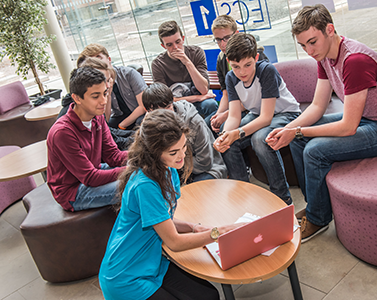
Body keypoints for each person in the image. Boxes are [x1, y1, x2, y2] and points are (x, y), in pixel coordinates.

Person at [266, 4, 377, 242]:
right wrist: (288, 129)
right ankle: (315, 207)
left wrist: (296, 130)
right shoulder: (324, 56)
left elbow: (348, 126)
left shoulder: (355, 60)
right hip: (369, 118)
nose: (308, 51)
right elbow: (317, 106)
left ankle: (318, 219)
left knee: (314, 150)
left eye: (312, 42)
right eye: (303, 45)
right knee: (298, 140)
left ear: (329, 29)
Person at [98, 109, 242, 300]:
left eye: (183, 147)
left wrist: (193, 227)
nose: (182, 156)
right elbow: (173, 241)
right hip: (126, 276)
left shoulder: (168, 170)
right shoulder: (145, 185)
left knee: (208, 296)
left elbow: (162, 220)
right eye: (173, 152)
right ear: (153, 153)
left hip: (152, 261)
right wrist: (217, 233)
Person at [213, 33, 300, 205]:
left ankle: (283, 200)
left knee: (261, 139)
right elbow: (235, 115)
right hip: (257, 114)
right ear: (229, 63)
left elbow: (267, 118)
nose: (242, 72)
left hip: (285, 113)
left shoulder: (266, 70)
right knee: (227, 141)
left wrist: (236, 133)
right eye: (236, 66)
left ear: (256, 58)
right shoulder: (231, 78)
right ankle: (243, 194)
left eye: (247, 65)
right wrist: (225, 135)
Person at [47, 67, 128, 211]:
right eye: (95, 96)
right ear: (77, 98)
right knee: (138, 184)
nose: (104, 101)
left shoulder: (97, 117)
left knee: (148, 170)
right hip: (73, 191)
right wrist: (131, 169)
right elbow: (90, 178)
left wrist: (143, 154)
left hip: (92, 171)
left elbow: (113, 156)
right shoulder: (62, 133)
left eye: (105, 93)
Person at [142, 82, 227, 182]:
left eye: (168, 107)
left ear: (173, 102)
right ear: (149, 111)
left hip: (206, 169)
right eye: (158, 111)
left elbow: (205, 162)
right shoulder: (150, 124)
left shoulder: (193, 121)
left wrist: (171, 160)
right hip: (174, 167)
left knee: (194, 193)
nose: (165, 114)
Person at [208, 14, 269, 133]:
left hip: (256, 107)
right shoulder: (221, 59)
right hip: (236, 107)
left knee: (227, 129)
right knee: (209, 124)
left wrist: (226, 114)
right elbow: (226, 94)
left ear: (236, 34)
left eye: (226, 38)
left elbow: (258, 96)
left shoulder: (254, 55)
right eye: (218, 40)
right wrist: (218, 114)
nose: (223, 44)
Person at [57, 57, 134, 150]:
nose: (108, 85)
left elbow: (111, 143)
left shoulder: (95, 113)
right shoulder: (64, 131)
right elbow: (112, 145)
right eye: (104, 80)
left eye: (108, 80)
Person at [151, 20, 218, 119]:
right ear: (163, 46)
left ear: (183, 39)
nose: (175, 47)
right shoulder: (158, 64)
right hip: (175, 106)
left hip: (200, 102)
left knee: (210, 104)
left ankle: (206, 132)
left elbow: (204, 90)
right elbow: (164, 100)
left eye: (178, 42)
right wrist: (197, 98)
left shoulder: (196, 52)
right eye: (169, 45)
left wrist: (187, 62)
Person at [77, 43, 147, 130]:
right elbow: (104, 119)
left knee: (140, 123)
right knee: (103, 128)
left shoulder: (129, 74)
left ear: (109, 59)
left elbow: (143, 106)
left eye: (99, 58)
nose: (97, 63)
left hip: (138, 114)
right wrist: (108, 94)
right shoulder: (97, 84)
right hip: (119, 116)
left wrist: (122, 125)